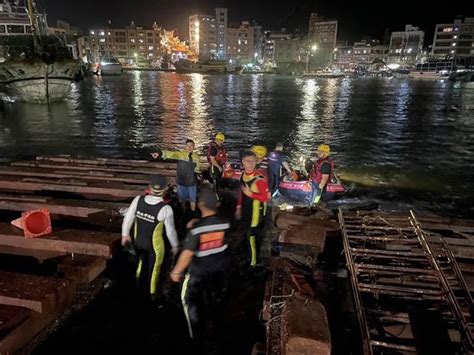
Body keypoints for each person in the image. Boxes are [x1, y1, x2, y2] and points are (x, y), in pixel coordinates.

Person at [170, 184, 230, 349]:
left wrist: (176, 271)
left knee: (188, 301)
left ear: (199, 205)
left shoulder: (196, 230)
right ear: (216, 205)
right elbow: (213, 227)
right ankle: (216, 326)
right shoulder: (225, 223)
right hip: (219, 270)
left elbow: (187, 254)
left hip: (198, 273)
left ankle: (194, 336)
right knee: (215, 298)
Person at [121, 175, 179, 301]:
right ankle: (152, 295)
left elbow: (128, 219)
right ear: (164, 190)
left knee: (140, 265)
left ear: (150, 188)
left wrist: (125, 235)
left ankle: (136, 288)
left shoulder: (138, 200)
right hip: (155, 248)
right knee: (154, 270)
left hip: (138, 243)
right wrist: (175, 246)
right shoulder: (166, 209)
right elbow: (170, 232)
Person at [235, 151, 270, 267]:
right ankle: (249, 255)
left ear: (256, 162)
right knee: (246, 233)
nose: (250, 164)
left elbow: (265, 198)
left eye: (252, 161)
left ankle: (253, 262)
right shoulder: (242, 175)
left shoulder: (259, 179)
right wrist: (239, 206)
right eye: (247, 161)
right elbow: (241, 191)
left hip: (256, 212)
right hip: (246, 210)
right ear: (243, 162)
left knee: (252, 236)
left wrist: (251, 194)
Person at [151, 140, 201, 212]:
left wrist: (198, 177)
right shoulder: (181, 155)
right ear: (185, 147)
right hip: (181, 182)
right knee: (181, 200)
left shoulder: (196, 157)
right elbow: (171, 154)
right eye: (188, 146)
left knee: (193, 200)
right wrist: (160, 153)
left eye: (191, 146)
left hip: (192, 182)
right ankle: (183, 213)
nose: (189, 147)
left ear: (194, 147)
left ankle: (192, 213)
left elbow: (197, 170)